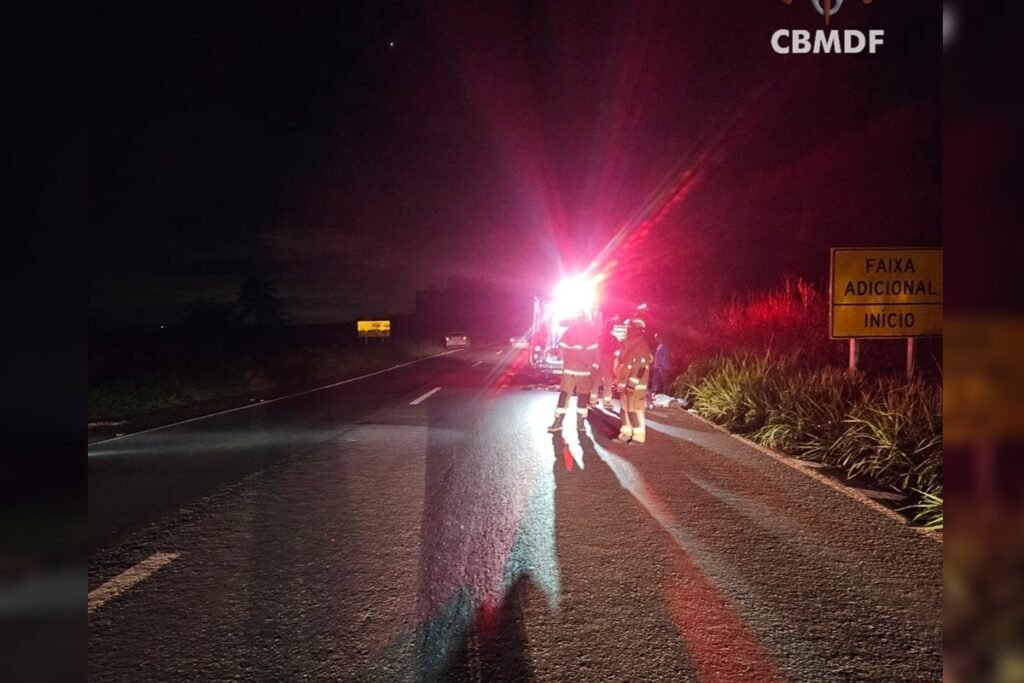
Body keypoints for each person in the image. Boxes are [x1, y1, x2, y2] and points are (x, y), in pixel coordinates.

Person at [547, 313, 600, 434]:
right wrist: (593, 370)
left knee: (564, 396)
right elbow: (596, 354)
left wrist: (565, 362)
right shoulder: (591, 334)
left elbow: (561, 349)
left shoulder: (569, 332)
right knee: (583, 397)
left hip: (570, 372)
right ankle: (581, 424)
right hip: (585, 372)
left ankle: (558, 423)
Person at [613, 317, 653, 444]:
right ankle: (626, 432)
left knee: (635, 410)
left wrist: (631, 385)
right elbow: (623, 366)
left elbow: (640, 369)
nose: (625, 331)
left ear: (636, 331)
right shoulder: (629, 346)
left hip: (635, 387)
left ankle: (639, 436)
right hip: (626, 386)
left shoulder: (640, 348)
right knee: (625, 410)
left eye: (628, 329)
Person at [593, 318, 621, 410]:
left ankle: (593, 399)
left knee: (596, 380)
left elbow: (596, 348)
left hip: (599, 359)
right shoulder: (613, 338)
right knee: (608, 381)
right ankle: (607, 401)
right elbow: (618, 349)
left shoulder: (600, 337)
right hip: (609, 359)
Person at [651, 332, 672, 399]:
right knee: (656, 380)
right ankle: (655, 392)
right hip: (657, 367)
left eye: (657, 337)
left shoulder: (665, 346)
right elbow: (657, 357)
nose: (656, 339)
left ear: (660, 337)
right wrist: (655, 364)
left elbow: (665, 356)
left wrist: (661, 365)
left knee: (664, 381)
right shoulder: (659, 346)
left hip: (663, 367)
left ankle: (666, 393)